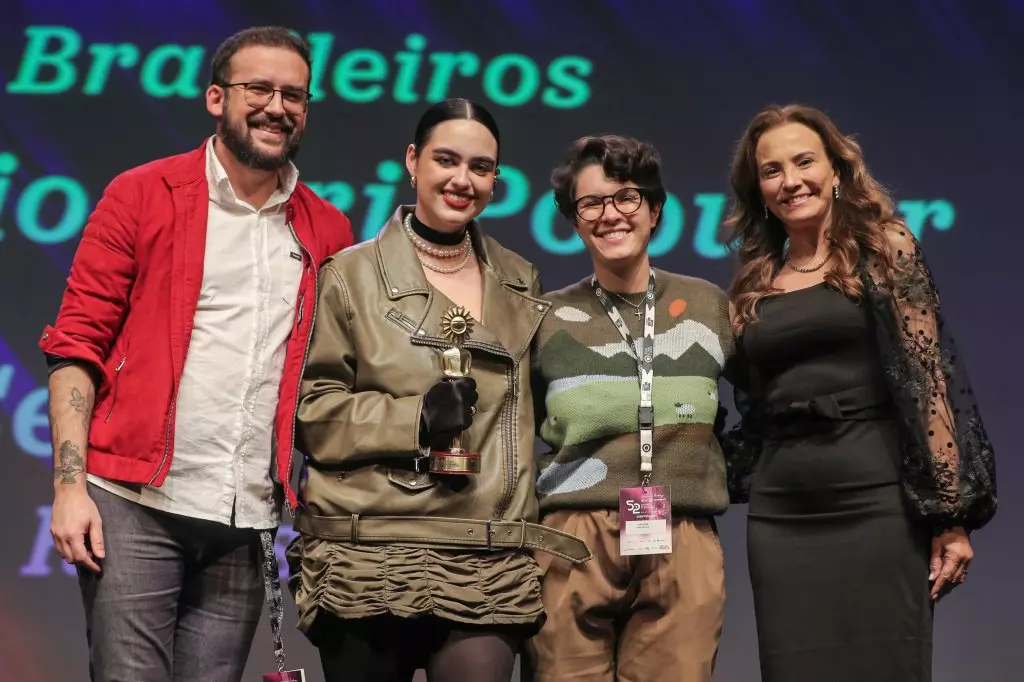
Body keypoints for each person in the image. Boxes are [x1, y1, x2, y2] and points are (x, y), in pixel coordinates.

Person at [40, 26, 353, 682]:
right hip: (132, 500)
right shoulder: (143, 193)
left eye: (294, 94)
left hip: (244, 515)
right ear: (216, 98)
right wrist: (69, 487)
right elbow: (76, 345)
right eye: (258, 88)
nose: (277, 106)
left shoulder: (326, 228)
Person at [286, 97, 590, 682]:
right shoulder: (350, 276)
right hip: (370, 548)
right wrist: (416, 418)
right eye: (446, 160)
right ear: (412, 161)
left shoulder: (520, 278)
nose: (462, 179)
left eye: (481, 167)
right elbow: (312, 414)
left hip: (486, 551)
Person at [723, 103, 997, 682]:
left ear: (837, 168)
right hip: (784, 514)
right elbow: (753, 400)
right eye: (772, 171)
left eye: (804, 162)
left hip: (877, 503)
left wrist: (950, 515)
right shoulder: (753, 277)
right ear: (759, 189)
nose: (790, 180)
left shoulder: (885, 246)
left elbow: (928, 380)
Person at [524, 134, 733, 682]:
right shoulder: (543, 316)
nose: (609, 214)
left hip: (682, 527)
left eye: (627, 198)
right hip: (572, 533)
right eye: (590, 203)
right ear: (573, 218)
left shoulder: (710, 305)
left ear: (655, 209)